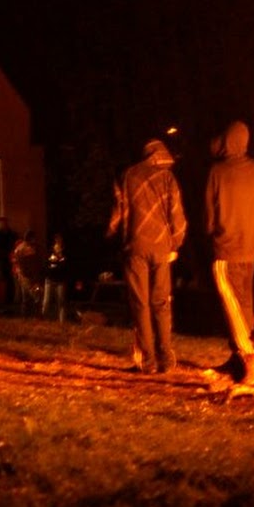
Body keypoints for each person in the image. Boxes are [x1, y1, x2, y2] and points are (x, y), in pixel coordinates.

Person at [107, 138, 188, 374]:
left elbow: (119, 210)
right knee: (161, 302)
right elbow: (177, 215)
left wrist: (111, 232)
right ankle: (166, 355)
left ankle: (148, 361)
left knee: (140, 304)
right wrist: (176, 244)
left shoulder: (129, 175)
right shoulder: (167, 178)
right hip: (162, 247)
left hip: (136, 246)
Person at [205, 120, 254, 381]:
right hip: (251, 246)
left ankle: (246, 357)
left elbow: (209, 213)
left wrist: (212, 232)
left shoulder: (218, 171)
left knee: (231, 304)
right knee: (245, 303)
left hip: (227, 248)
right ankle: (238, 356)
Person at [11, 230, 41, 317]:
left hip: (23, 275)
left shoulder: (20, 248)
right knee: (36, 295)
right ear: (30, 238)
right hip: (27, 275)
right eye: (34, 238)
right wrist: (31, 274)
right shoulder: (27, 249)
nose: (35, 240)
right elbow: (29, 263)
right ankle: (37, 315)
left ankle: (25, 316)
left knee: (25, 297)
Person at [41, 232, 69, 323]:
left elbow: (64, 267)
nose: (58, 243)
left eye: (60, 241)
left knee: (61, 302)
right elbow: (46, 265)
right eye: (56, 241)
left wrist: (57, 263)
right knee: (46, 302)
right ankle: (44, 320)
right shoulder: (50, 253)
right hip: (49, 280)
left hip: (60, 281)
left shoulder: (64, 255)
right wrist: (53, 265)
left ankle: (62, 322)